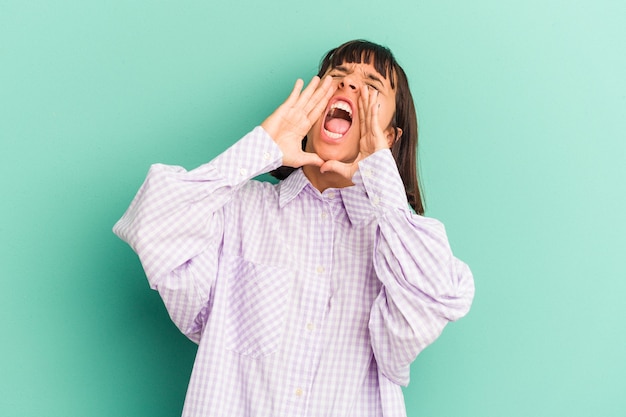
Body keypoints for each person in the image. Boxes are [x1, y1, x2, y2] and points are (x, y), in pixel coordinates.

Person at [113, 39, 474, 417]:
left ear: (391, 137)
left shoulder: (396, 244)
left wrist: (381, 180)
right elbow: (152, 222)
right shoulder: (239, 209)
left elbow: (440, 297)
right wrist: (260, 147)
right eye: (338, 76)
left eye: (371, 84)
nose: (349, 85)